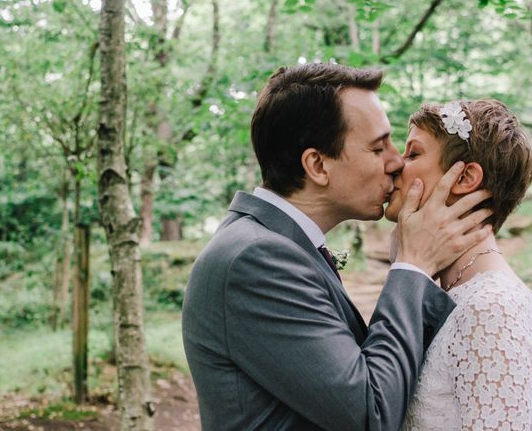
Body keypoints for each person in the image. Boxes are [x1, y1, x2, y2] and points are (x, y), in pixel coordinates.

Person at [182, 63, 493, 431]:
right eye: (378, 147)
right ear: (317, 165)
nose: (395, 162)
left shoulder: (280, 246)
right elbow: (369, 414)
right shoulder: (255, 259)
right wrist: (413, 266)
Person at [383, 99, 532, 430]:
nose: (395, 165)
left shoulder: (493, 308)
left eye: (413, 154)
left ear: (465, 177)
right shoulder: (451, 291)